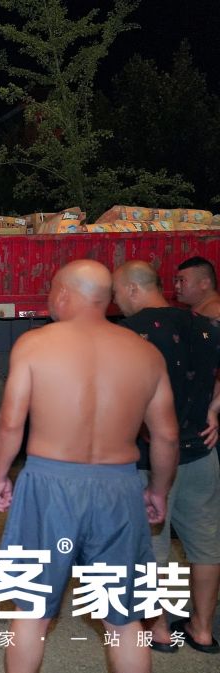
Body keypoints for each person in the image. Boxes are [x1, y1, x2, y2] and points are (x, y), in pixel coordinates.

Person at [0, 260, 178, 673]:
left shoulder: (35, 345)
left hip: (48, 485)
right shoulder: (145, 353)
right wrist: (158, 491)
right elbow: (166, 435)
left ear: (63, 293)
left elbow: (10, 423)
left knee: (31, 612)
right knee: (123, 620)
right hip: (119, 488)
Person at [113, 261, 220, 654]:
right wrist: (214, 408)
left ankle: (158, 628)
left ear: (133, 289)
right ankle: (202, 629)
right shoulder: (204, 325)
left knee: (150, 546)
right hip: (201, 452)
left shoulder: (129, 335)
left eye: (117, 292)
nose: (116, 301)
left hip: (151, 459)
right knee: (206, 544)